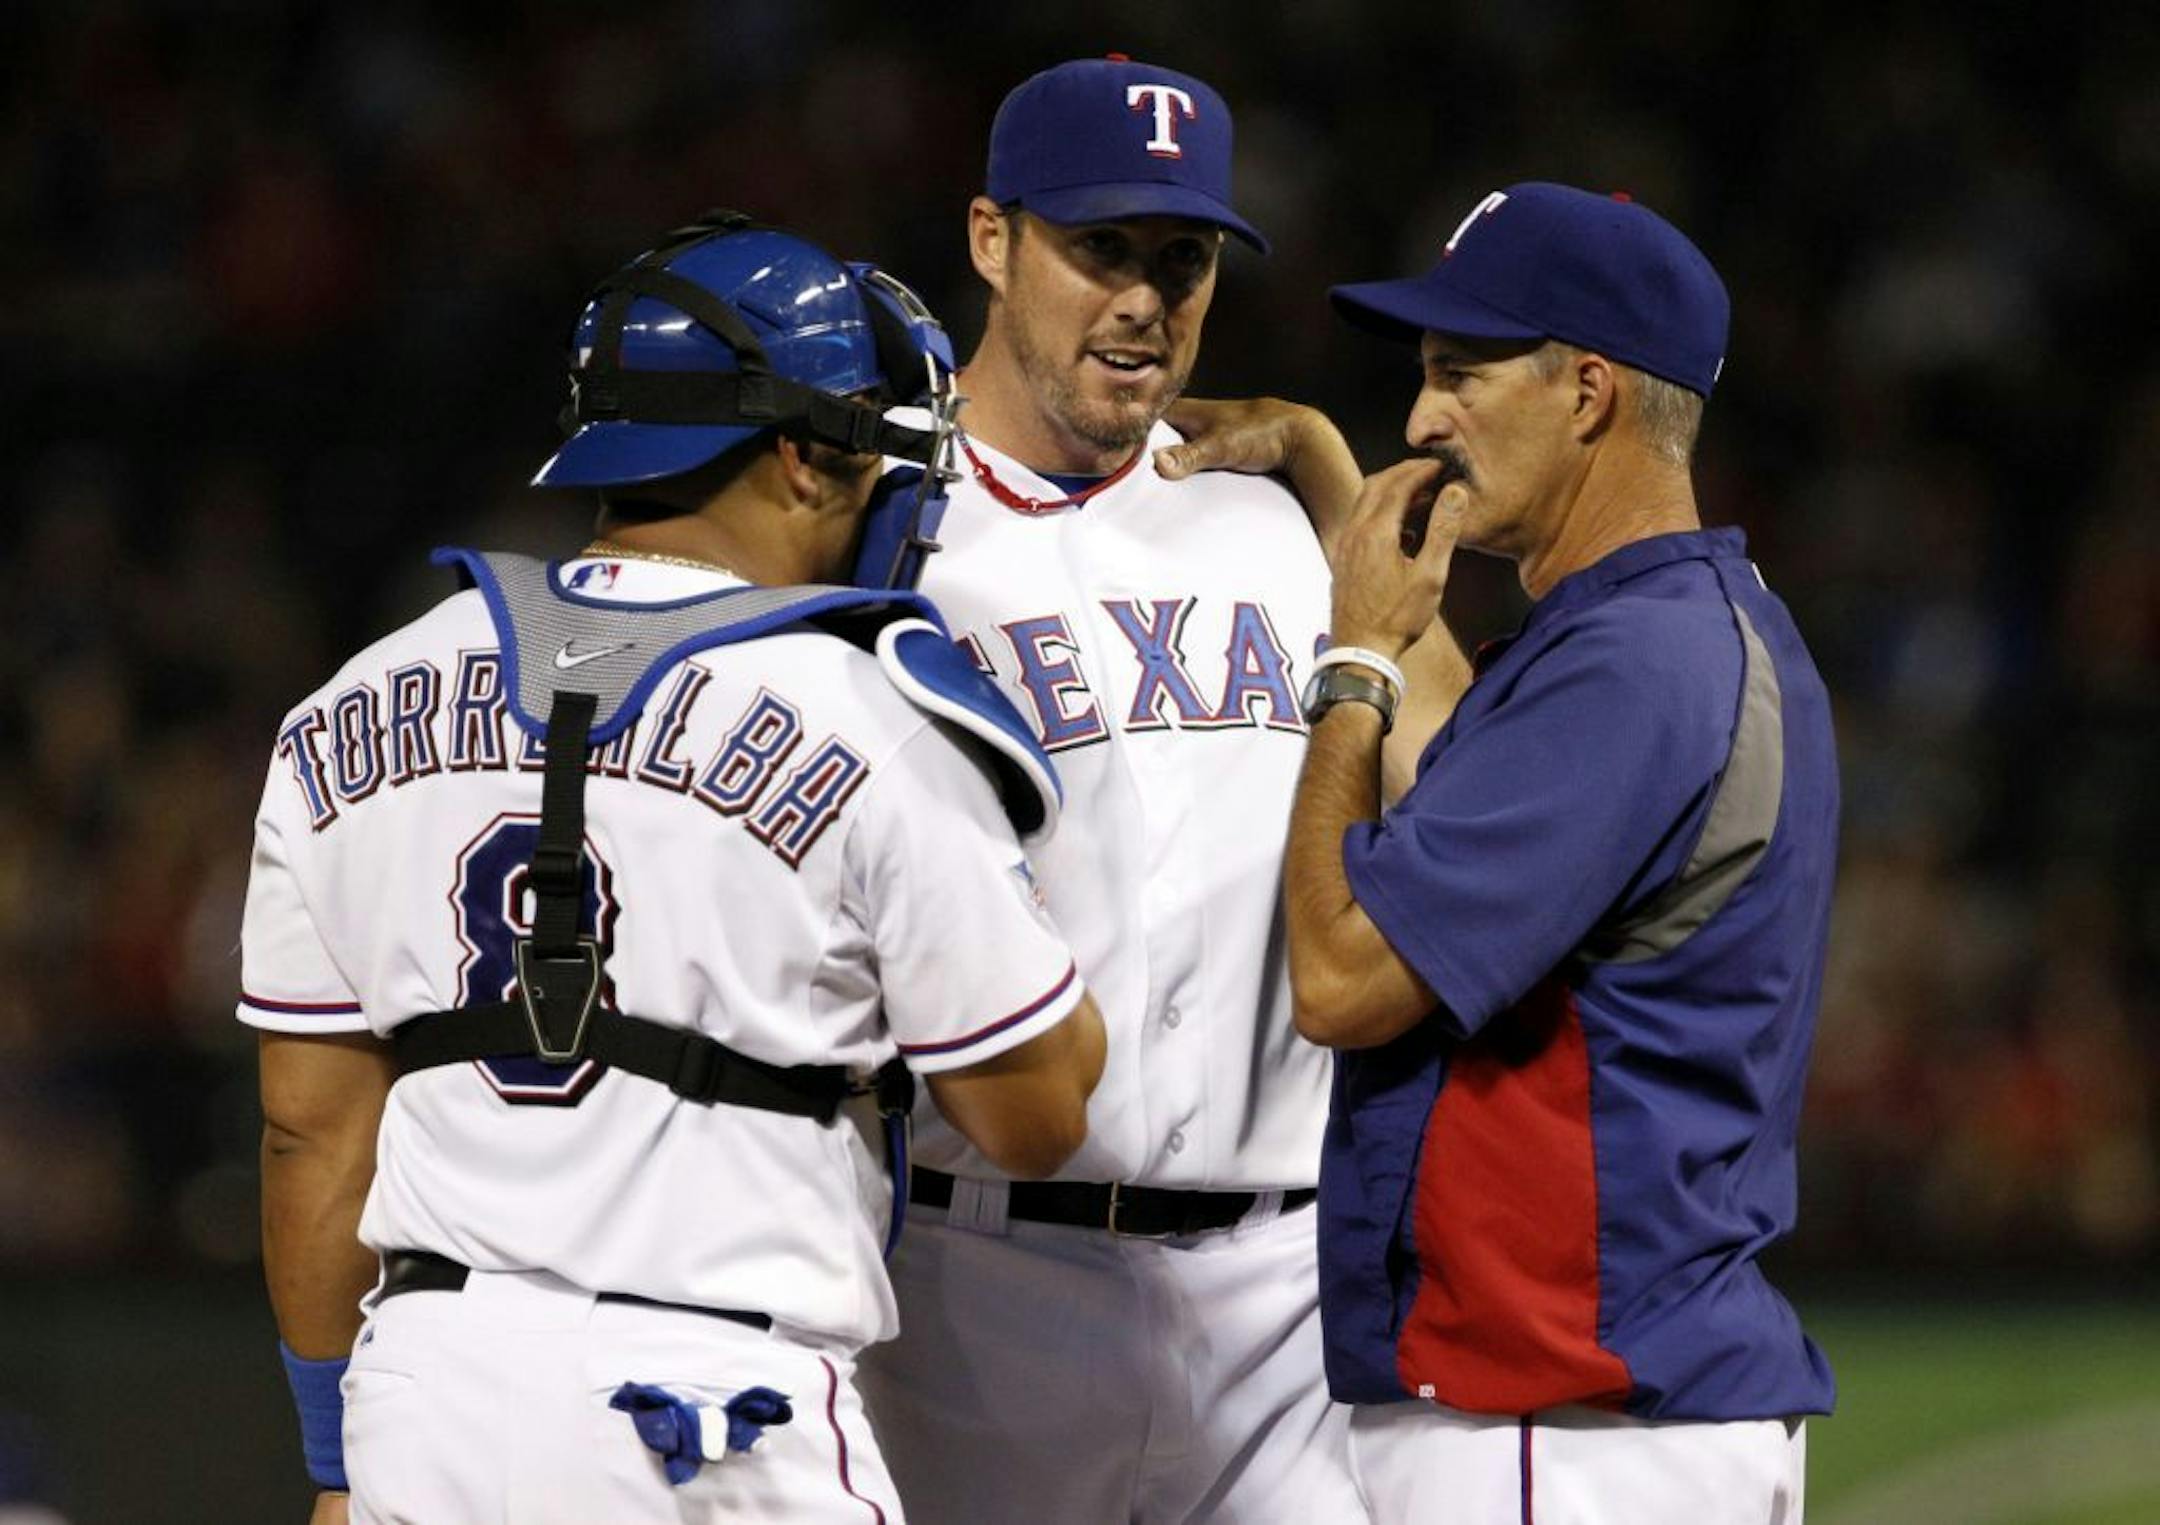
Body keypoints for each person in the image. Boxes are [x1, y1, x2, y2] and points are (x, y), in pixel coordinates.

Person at [240, 213, 1105, 1524]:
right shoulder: (867, 709)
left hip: (428, 1392)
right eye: (872, 453)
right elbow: (1035, 1114)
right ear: (806, 460)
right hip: (713, 1409)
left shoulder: (356, 696)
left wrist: (332, 1460)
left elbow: (312, 1127)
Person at [855, 56, 1370, 1522]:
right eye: (1101, 250)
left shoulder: (1265, 520)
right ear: (990, 239)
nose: (1145, 299)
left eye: (1182, 258)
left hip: (1281, 1294)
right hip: (973, 1284)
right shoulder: (878, 530)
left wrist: (1334, 475)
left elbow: (1449, 772)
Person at [1286, 181, 1837, 1522]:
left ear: (1588, 390)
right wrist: (1317, 463)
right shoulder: (1681, 626)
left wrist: (1351, 661)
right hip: (1629, 1411)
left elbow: (1341, 979)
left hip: (1563, 1420)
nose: (1422, 419)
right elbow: (1457, 794)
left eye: (1459, 372)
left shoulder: (1631, 668)